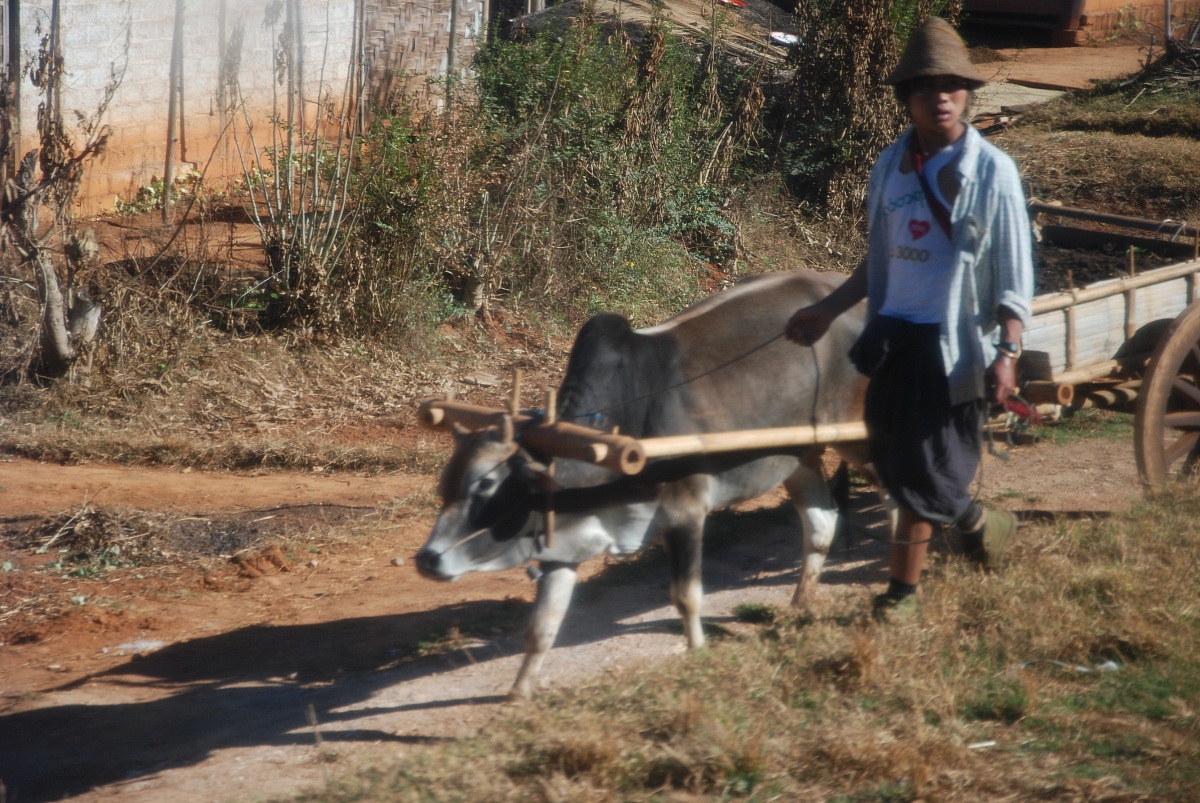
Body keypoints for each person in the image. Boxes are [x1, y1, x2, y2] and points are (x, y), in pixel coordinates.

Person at [784, 17, 1034, 620]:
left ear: (968, 94)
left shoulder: (992, 171)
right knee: (893, 464)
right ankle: (980, 522)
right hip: (892, 336)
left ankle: (901, 596)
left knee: (922, 467)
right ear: (907, 98)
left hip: (953, 347)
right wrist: (826, 310)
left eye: (951, 85)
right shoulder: (890, 166)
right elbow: (879, 261)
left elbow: (1013, 270)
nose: (940, 97)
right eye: (925, 87)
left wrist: (1008, 352)